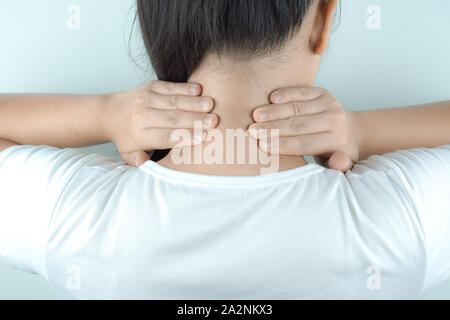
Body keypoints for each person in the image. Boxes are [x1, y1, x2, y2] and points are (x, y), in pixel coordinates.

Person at [0, 0, 449, 299]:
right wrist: (361, 130)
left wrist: (105, 114)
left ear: (153, 29)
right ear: (323, 21)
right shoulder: (402, 219)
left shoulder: (76, 220)